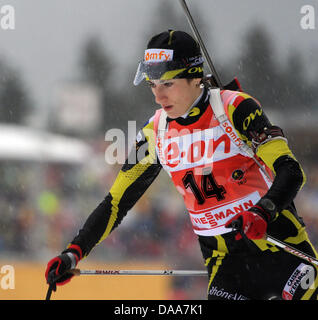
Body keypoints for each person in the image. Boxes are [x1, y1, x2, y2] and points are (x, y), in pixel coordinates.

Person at [45, 30, 318, 300]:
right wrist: (73, 252)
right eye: (153, 85)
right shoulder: (156, 132)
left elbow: (290, 171)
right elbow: (116, 201)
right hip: (227, 264)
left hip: (281, 246)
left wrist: (263, 211)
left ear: (196, 77)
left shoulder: (235, 108)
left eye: (168, 84)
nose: (158, 97)